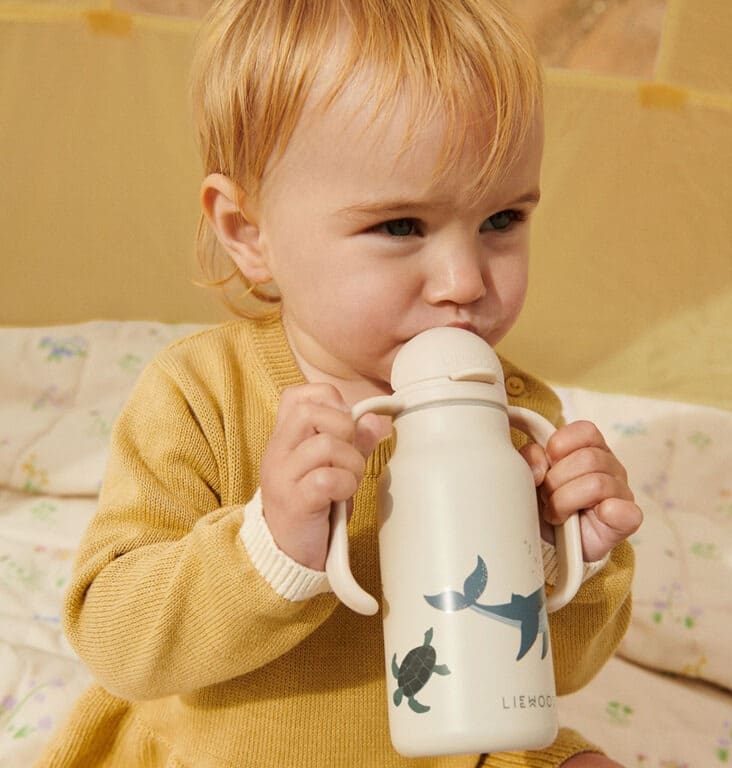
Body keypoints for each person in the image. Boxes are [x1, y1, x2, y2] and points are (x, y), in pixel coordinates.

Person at [37, 1, 642, 766]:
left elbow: (562, 674)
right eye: (400, 227)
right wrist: (269, 548)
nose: (463, 282)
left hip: (460, 745)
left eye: (502, 219)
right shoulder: (200, 392)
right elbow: (117, 642)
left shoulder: (520, 417)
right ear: (249, 233)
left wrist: (573, 558)